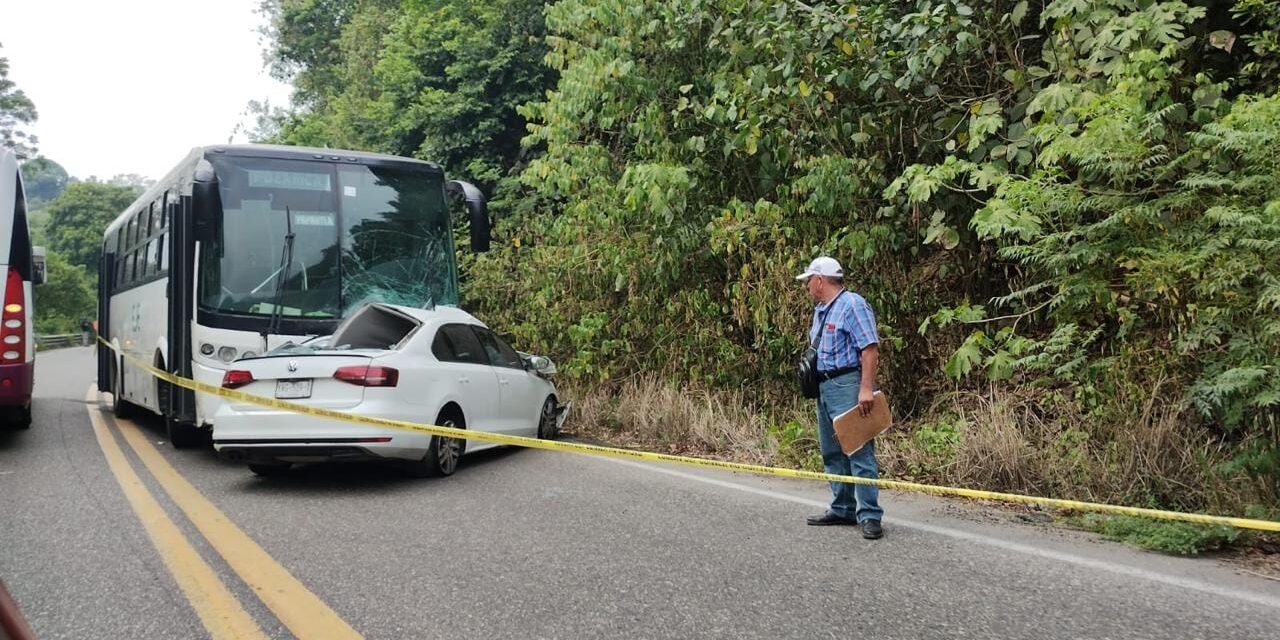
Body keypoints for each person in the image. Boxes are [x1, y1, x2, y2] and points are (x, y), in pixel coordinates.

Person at [796, 256, 884, 539]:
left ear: (820, 281)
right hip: (824, 387)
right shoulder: (822, 310)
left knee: (858, 450)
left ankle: (869, 514)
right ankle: (842, 508)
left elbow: (869, 349)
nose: (807, 285)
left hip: (847, 384)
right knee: (831, 450)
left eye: (809, 280)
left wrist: (865, 388)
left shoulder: (852, 305)